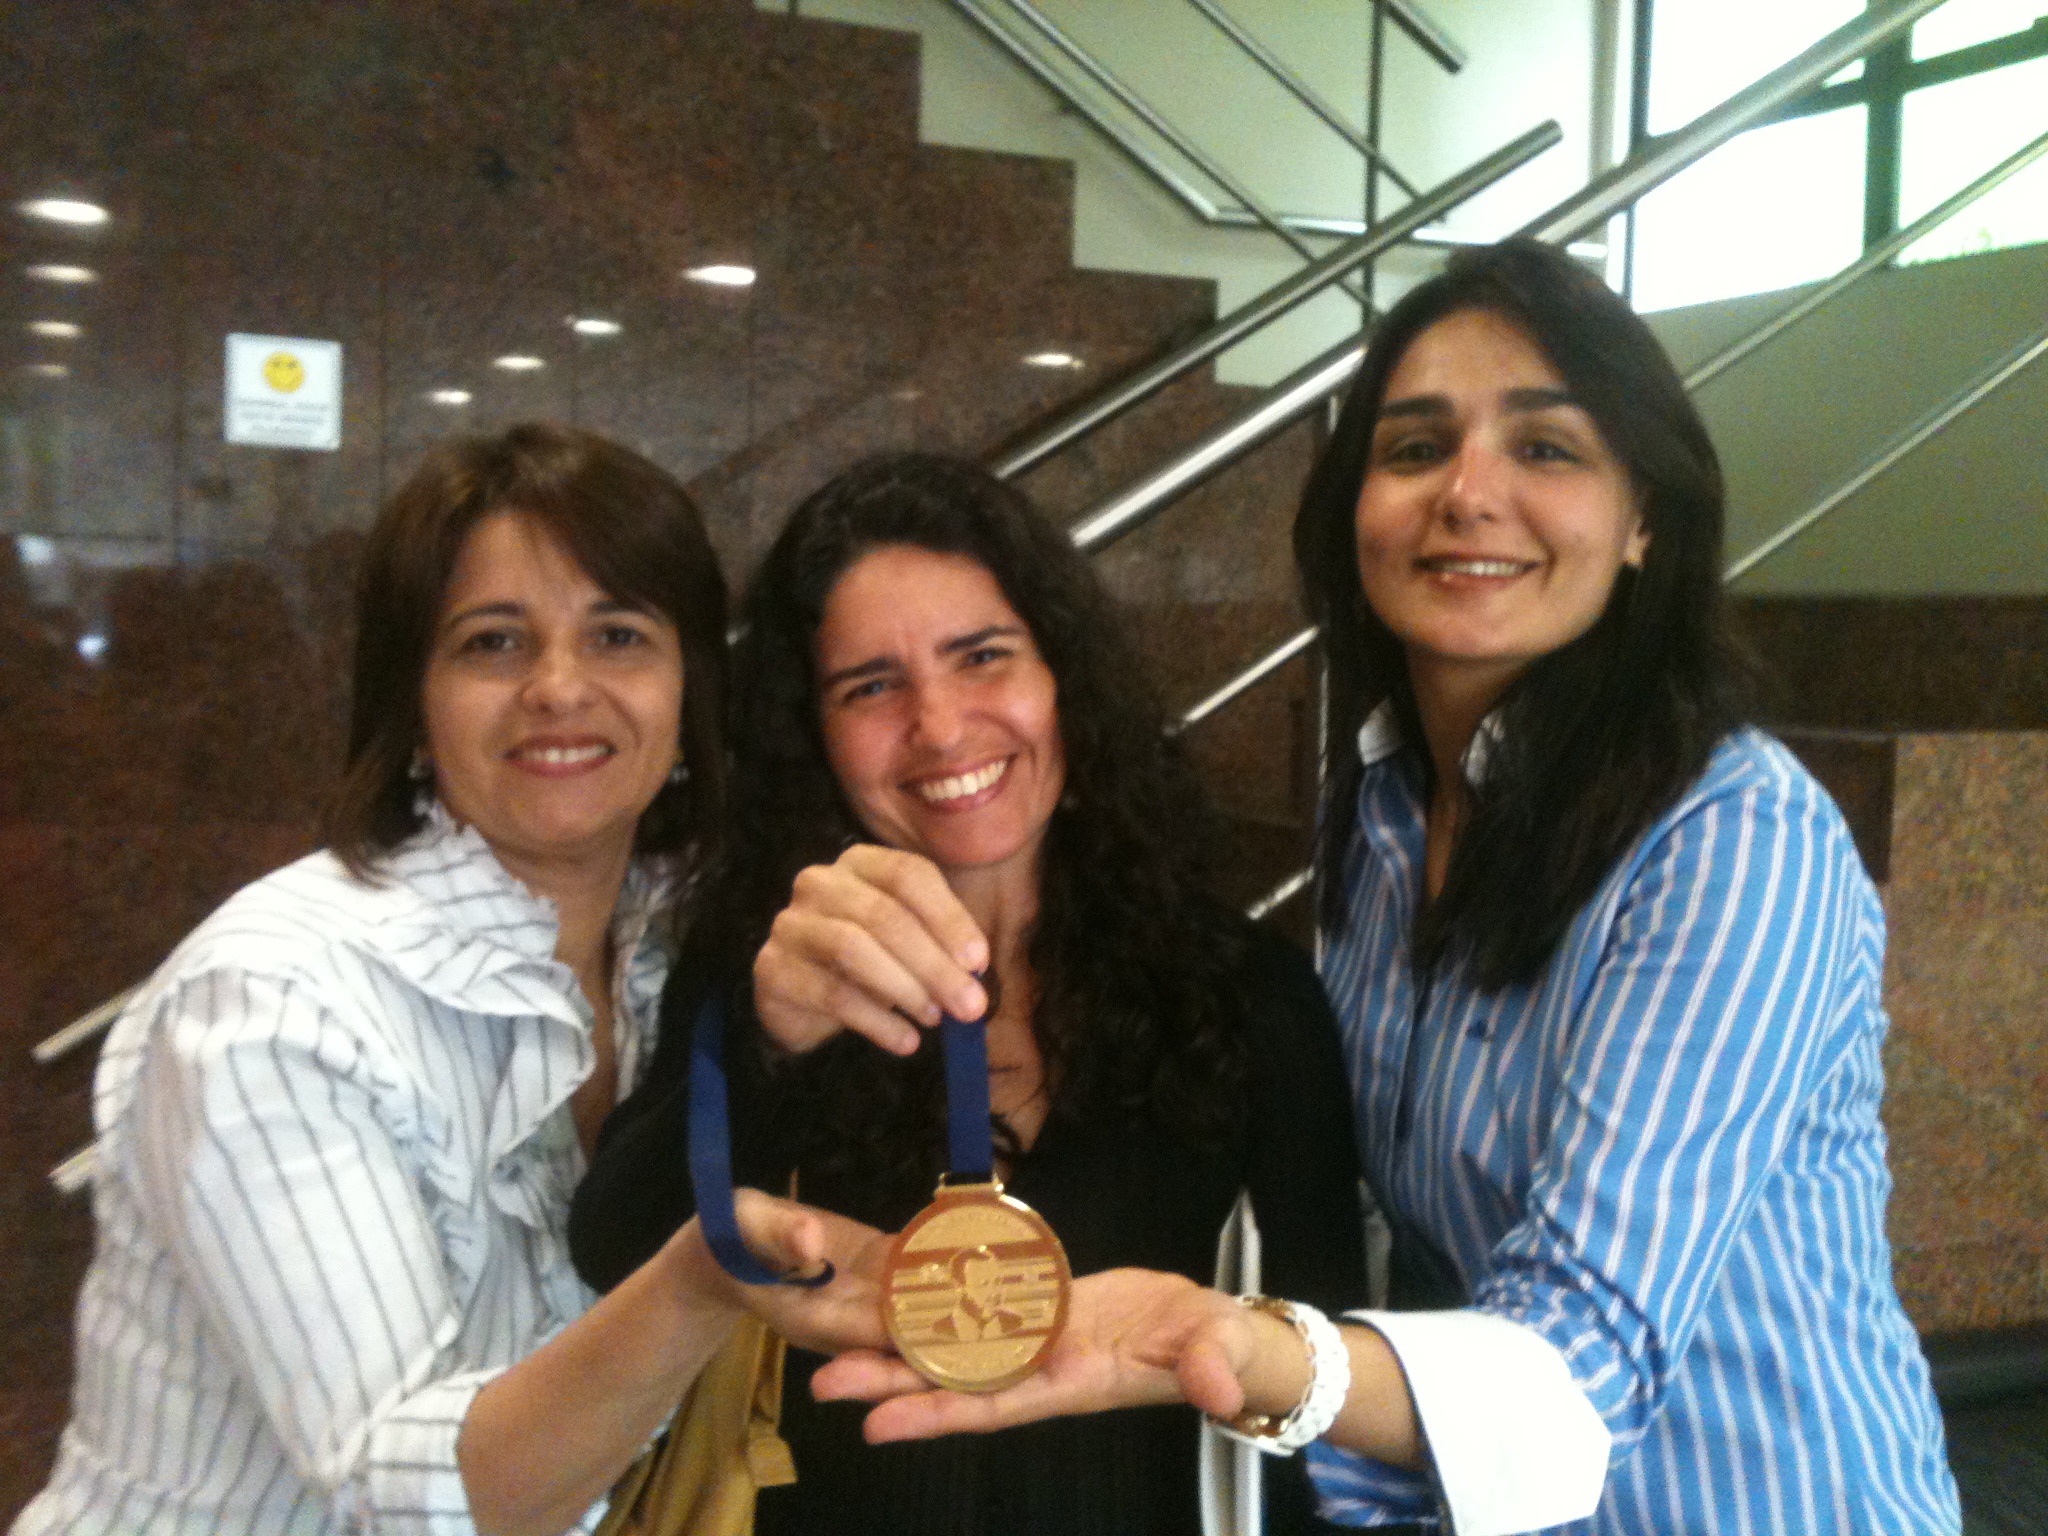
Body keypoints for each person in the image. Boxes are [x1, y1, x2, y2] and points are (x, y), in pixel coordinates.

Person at [788, 244, 1964, 1535]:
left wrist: (1236, 1347)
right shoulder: (1389, 812)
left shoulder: (1731, 838)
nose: (1467, 494)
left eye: (1546, 448)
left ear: (1643, 520)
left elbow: (1579, 1365)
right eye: (1414, 449)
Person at [15, 424, 884, 1536]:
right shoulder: (274, 1002)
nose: (559, 688)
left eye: (618, 635)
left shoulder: (679, 941)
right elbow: (411, 1501)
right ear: (413, 706)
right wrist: (700, 1282)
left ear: (686, 697)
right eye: (493, 643)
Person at [567, 453, 1367, 1536]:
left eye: (981, 657)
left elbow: (1320, 1373)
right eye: (870, 686)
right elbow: (613, 1252)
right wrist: (764, 1045)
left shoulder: (1241, 991)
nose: (939, 727)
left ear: (1061, 677)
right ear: (812, 733)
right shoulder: (768, 971)